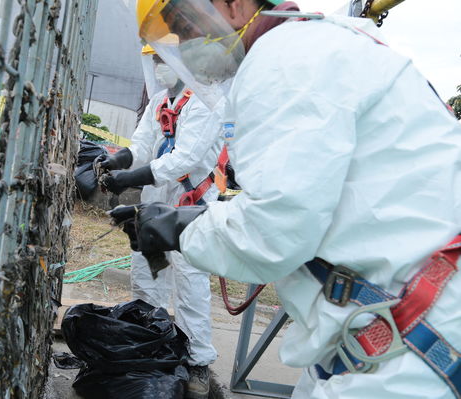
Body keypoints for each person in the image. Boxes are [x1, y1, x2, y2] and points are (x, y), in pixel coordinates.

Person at [112, 0, 461, 398]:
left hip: (412, 339)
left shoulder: (285, 61)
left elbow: (275, 228)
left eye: (184, 26)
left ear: (234, 5)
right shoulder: (319, 46)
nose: (184, 45)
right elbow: (310, 195)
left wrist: (180, 227)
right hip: (396, 323)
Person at [96, 45, 222, 399]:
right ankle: (150, 343)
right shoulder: (157, 104)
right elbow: (143, 143)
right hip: (154, 205)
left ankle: (197, 358)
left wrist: (132, 176)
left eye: (162, 60)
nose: (157, 68)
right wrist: (120, 160)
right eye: (153, 61)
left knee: (190, 283)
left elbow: (185, 159)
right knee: (146, 276)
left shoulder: (205, 104)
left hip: (189, 205)